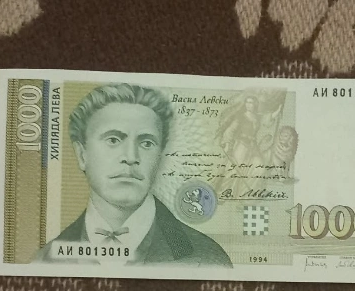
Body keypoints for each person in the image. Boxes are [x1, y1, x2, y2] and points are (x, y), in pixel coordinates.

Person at [39, 84, 232, 267]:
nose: (131, 157)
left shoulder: (209, 258)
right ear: (82, 155)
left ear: (159, 158)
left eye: (146, 143)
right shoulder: (43, 260)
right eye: (113, 140)